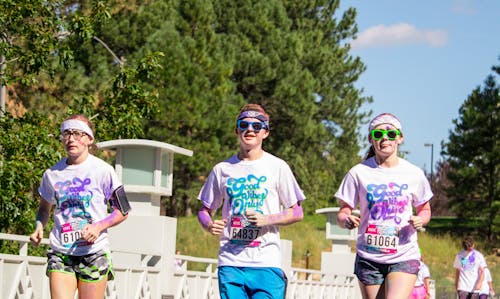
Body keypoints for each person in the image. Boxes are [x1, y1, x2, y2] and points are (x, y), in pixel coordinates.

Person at [197, 103, 306, 299]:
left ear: (265, 132)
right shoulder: (222, 169)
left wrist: (267, 219)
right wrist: (209, 225)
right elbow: (204, 210)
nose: (249, 129)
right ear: (236, 130)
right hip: (231, 262)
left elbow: (297, 212)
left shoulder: (277, 167)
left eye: (256, 126)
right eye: (243, 124)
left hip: (266, 262)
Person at [29, 114, 129, 299]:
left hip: (93, 251)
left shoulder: (103, 170)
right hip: (61, 250)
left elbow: (123, 210)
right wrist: (38, 226)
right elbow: (44, 209)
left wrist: (99, 226)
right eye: (66, 134)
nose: (71, 139)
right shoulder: (51, 174)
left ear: (89, 139)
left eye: (77, 134)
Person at [335, 112, 433, 299]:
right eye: (378, 134)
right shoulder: (358, 173)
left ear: (400, 138)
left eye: (391, 133)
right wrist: (345, 219)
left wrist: (421, 219)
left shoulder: (414, 173)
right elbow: (343, 211)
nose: (385, 138)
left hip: (403, 254)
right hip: (369, 256)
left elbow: (425, 209)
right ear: (371, 139)